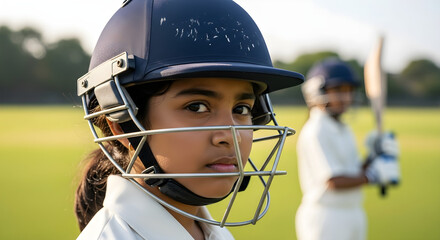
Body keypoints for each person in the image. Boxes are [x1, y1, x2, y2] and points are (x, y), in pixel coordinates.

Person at [74, 0, 304, 239]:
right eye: (197, 107)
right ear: (123, 125)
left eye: (242, 108)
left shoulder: (216, 233)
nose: (230, 135)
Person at [295, 58, 400, 240]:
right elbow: (333, 181)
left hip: (353, 212)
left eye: (349, 91)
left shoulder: (343, 128)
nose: (346, 97)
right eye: (338, 90)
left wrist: (374, 157)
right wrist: (372, 177)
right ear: (317, 91)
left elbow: (353, 172)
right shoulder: (316, 130)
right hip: (327, 217)